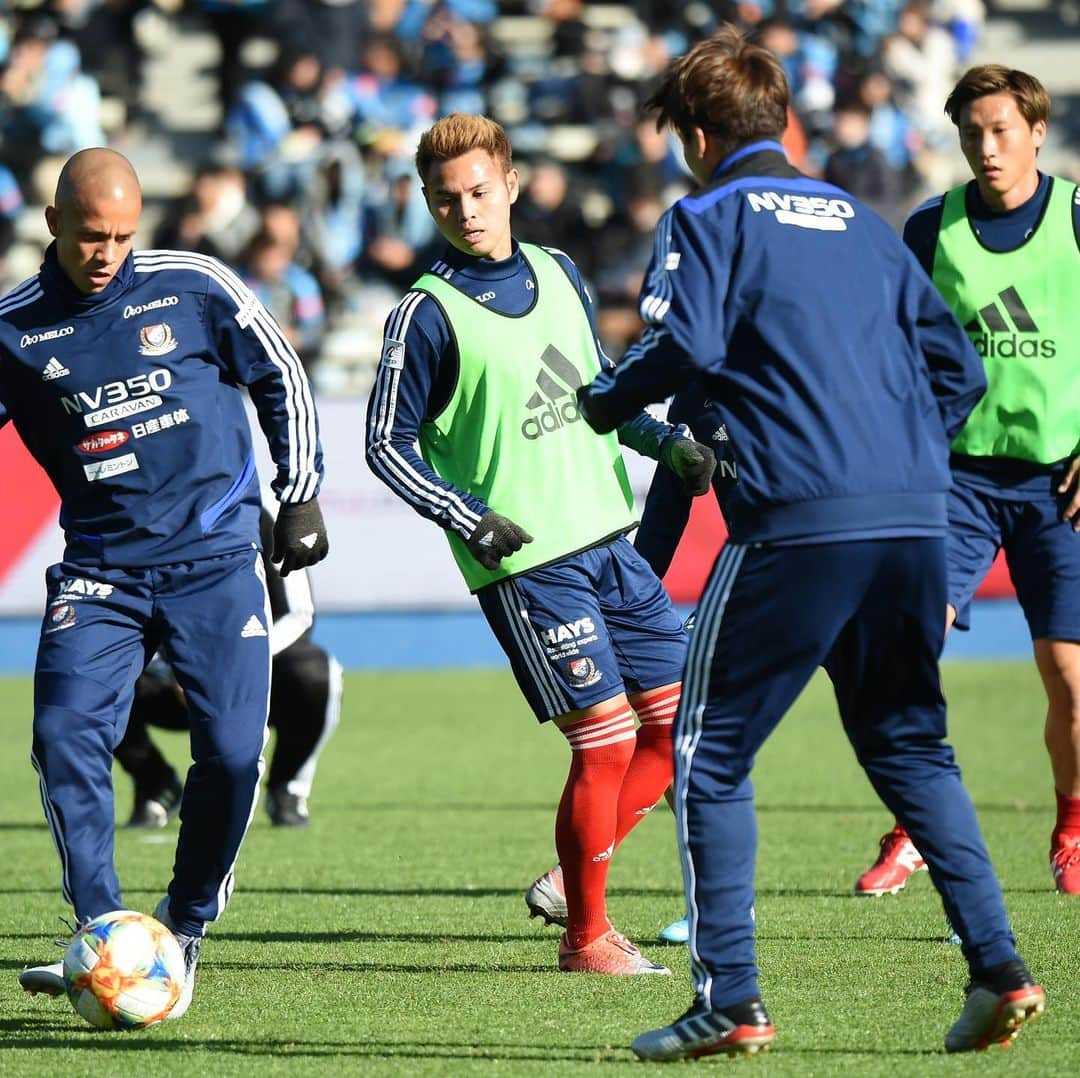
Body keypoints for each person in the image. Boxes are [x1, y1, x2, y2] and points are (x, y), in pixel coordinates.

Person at [576, 27, 1045, 1058]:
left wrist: (608, 397)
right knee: (911, 743)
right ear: (779, 122)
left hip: (800, 517)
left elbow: (684, 342)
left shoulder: (705, 215)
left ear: (697, 135)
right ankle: (1000, 966)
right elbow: (958, 371)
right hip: (919, 514)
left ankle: (730, 997)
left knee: (708, 752)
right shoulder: (860, 218)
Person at [365, 112, 717, 976]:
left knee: (683, 728)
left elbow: (597, 392)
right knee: (602, 741)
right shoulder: (425, 313)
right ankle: (586, 939)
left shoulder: (561, 271)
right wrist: (466, 513)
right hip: (526, 563)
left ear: (512, 185)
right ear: (426, 204)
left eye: (480, 192)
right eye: (447, 200)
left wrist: (663, 440)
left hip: (611, 542)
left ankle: (571, 881)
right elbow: (385, 443)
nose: (467, 211)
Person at [5, 148, 328, 1018]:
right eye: (89, 236)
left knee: (228, 753)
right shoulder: (14, 327)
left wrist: (298, 496)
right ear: (54, 227)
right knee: (63, 734)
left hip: (217, 560)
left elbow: (281, 375)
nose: (106, 251)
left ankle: (183, 927)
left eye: (120, 235)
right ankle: (106, 929)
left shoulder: (191, 285)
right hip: (100, 570)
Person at [854, 65, 1080, 900]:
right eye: (972, 133)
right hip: (952, 483)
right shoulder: (928, 231)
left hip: (1060, 487)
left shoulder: (1077, 221)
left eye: (1002, 131)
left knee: (1068, 678)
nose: (987, 148)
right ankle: (915, 827)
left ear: (1036, 133)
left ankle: (1071, 825)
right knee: (910, 650)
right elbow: (886, 346)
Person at [118, 491, 343, 830]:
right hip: (165, 680)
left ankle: (287, 788)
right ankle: (154, 783)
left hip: (247, 672)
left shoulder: (258, 506)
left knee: (315, 672)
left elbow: (298, 616)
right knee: (89, 675)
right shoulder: (133, 502)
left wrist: (228, 663)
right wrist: (174, 665)